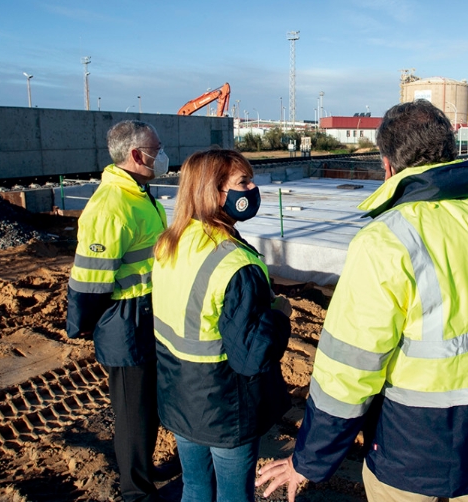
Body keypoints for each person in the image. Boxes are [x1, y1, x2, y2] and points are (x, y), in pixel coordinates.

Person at [257, 100, 468, 501]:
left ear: (388, 165)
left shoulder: (384, 241)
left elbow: (350, 369)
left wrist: (309, 459)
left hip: (411, 448)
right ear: (449, 150)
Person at [152, 149, 293, 502]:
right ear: (215, 192)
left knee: (196, 486)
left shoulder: (172, 242)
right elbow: (253, 355)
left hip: (180, 396)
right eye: (243, 182)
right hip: (225, 407)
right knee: (233, 494)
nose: (252, 188)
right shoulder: (235, 264)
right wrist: (279, 314)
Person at [67, 120, 169, 502]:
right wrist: (92, 327)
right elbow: (89, 284)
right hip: (126, 321)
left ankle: (143, 468)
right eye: (157, 150)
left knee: (149, 404)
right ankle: (135, 491)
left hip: (147, 314)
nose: (162, 156)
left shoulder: (138, 194)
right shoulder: (112, 206)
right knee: (132, 412)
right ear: (136, 155)